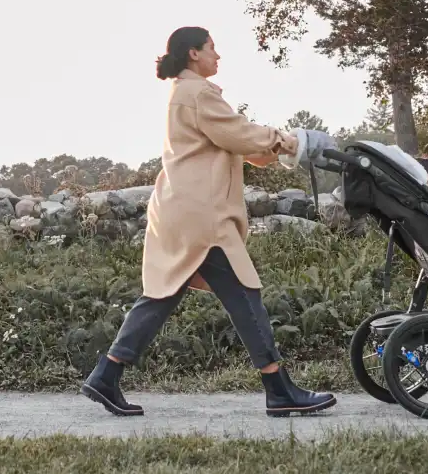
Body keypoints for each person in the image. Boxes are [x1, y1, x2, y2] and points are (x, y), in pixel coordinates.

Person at [80, 26, 337, 418]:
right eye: (213, 48)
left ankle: (106, 374)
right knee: (245, 295)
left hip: (181, 209)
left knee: (162, 296)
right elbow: (240, 133)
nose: (218, 56)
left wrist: (273, 151)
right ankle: (279, 388)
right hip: (205, 216)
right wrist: (291, 142)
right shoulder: (197, 93)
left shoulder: (183, 93)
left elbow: (234, 142)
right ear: (193, 54)